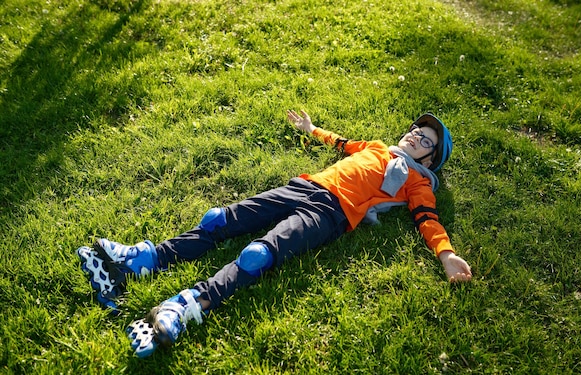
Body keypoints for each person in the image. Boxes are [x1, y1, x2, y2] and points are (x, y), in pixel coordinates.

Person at [77, 110, 472, 358]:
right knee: (218, 219)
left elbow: (427, 220)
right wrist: (311, 128)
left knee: (257, 255)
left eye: (426, 141)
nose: (415, 137)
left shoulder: (418, 182)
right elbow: (341, 143)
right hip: (304, 186)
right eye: (416, 130)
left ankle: (186, 306)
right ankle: (141, 261)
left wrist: (446, 255)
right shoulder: (375, 147)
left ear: (430, 158)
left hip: (330, 213)